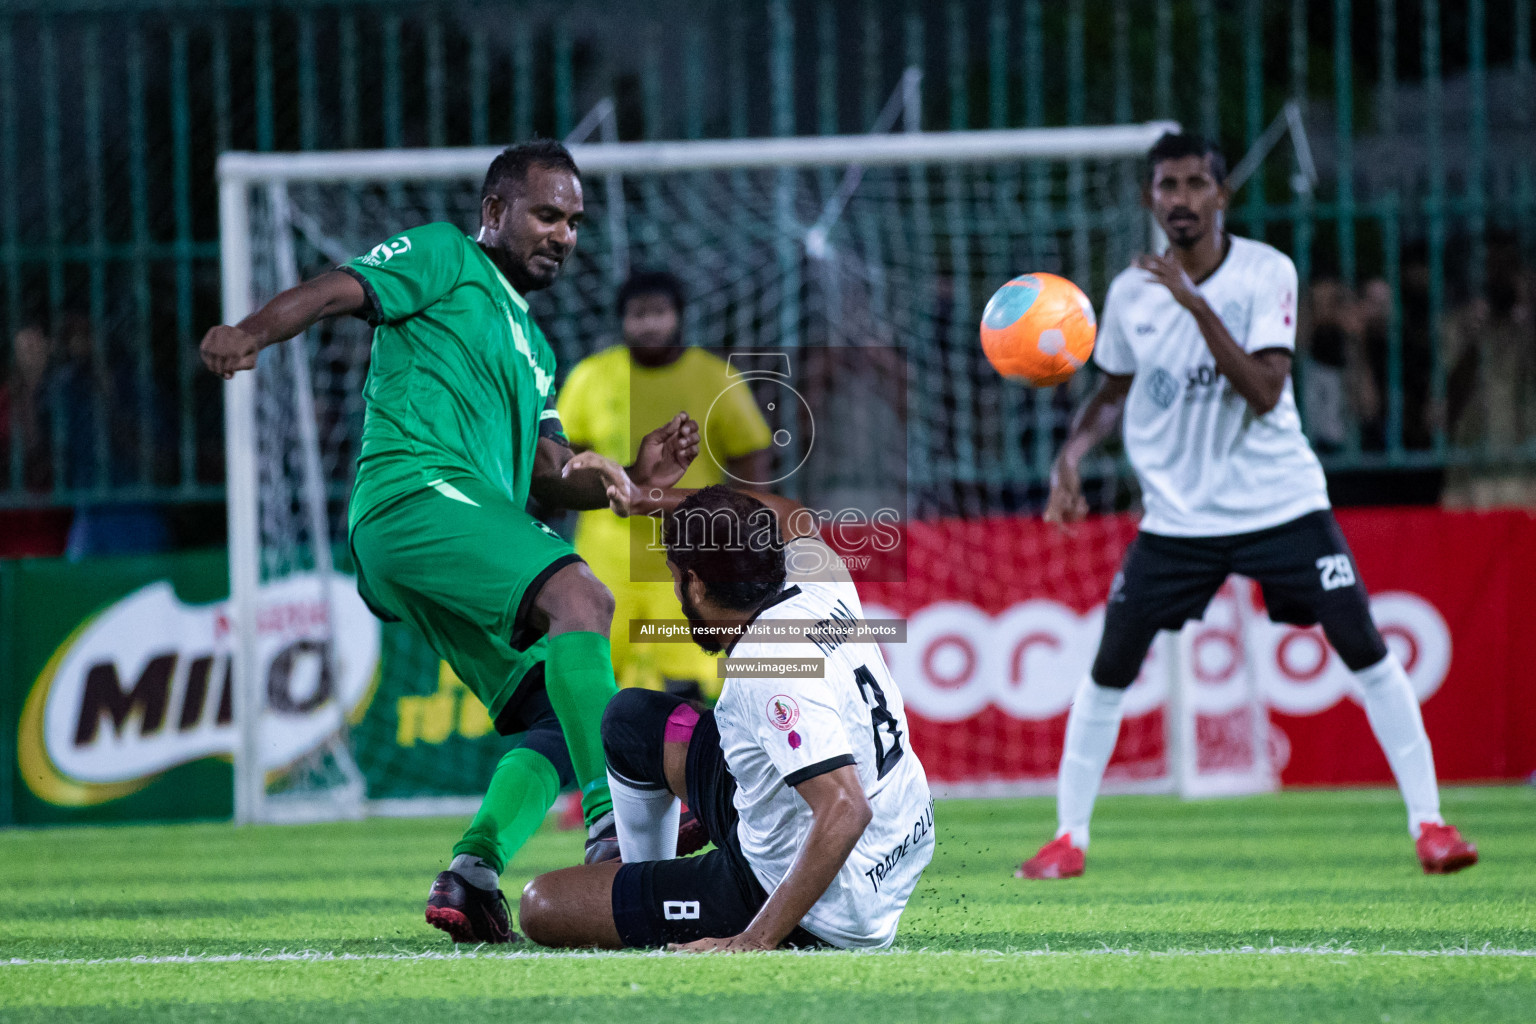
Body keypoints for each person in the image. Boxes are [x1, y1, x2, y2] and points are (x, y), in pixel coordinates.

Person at [199, 140, 701, 944]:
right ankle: (615, 833)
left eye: (574, 222)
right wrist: (253, 330)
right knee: (582, 598)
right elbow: (339, 290)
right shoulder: (443, 256)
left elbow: (546, 474)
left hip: (451, 528)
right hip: (412, 497)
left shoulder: (536, 350)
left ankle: (472, 871)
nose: (563, 234)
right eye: (546, 214)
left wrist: (630, 482)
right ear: (495, 212)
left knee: (561, 716)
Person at [1017, 132, 1477, 880]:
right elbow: (1111, 393)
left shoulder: (1266, 272)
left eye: (1198, 184)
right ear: (1150, 199)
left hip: (1281, 505)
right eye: (1168, 186)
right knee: (1109, 668)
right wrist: (1070, 456)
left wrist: (1193, 305)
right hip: (1178, 522)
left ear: (1222, 195)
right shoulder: (1133, 292)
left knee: (1363, 645)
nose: (1183, 199)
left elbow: (1265, 391)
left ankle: (1430, 824)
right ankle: (1069, 839)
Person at [518, 481, 934, 951]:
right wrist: (647, 497)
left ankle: (655, 899)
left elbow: (845, 807)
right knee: (630, 718)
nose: (675, 593)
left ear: (693, 581)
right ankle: (643, 879)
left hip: (827, 899)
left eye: (674, 578)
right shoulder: (818, 575)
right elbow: (788, 512)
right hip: (900, 838)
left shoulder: (768, 663)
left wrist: (752, 940)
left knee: (543, 904)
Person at [559, 269, 772, 700]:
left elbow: (753, 458)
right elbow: (563, 462)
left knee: (688, 685)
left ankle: (687, 765)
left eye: (659, 312)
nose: (650, 324)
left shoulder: (714, 377)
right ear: (621, 321)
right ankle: (602, 768)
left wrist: (740, 531)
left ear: (679, 317)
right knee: (597, 677)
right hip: (606, 553)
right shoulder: (591, 377)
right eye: (638, 314)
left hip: (687, 553)